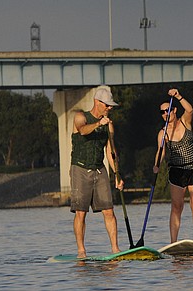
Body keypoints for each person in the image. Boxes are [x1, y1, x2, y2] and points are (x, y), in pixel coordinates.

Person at [71, 85, 124, 258]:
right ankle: (81, 251)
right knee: (81, 212)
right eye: (107, 105)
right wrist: (98, 124)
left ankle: (115, 249)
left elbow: (111, 151)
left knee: (109, 210)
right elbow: (83, 130)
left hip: (99, 170)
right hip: (80, 168)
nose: (109, 108)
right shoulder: (80, 117)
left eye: (110, 106)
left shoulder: (109, 125)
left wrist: (118, 175)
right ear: (97, 102)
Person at [153, 88, 193, 242]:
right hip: (177, 171)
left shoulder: (185, 121)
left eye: (168, 110)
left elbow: (190, 109)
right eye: (162, 112)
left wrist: (179, 96)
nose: (165, 114)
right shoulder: (163, 133)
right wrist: (156, 165)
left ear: (174, 110)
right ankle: (173, 242)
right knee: (177, 207)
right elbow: (160, 151)